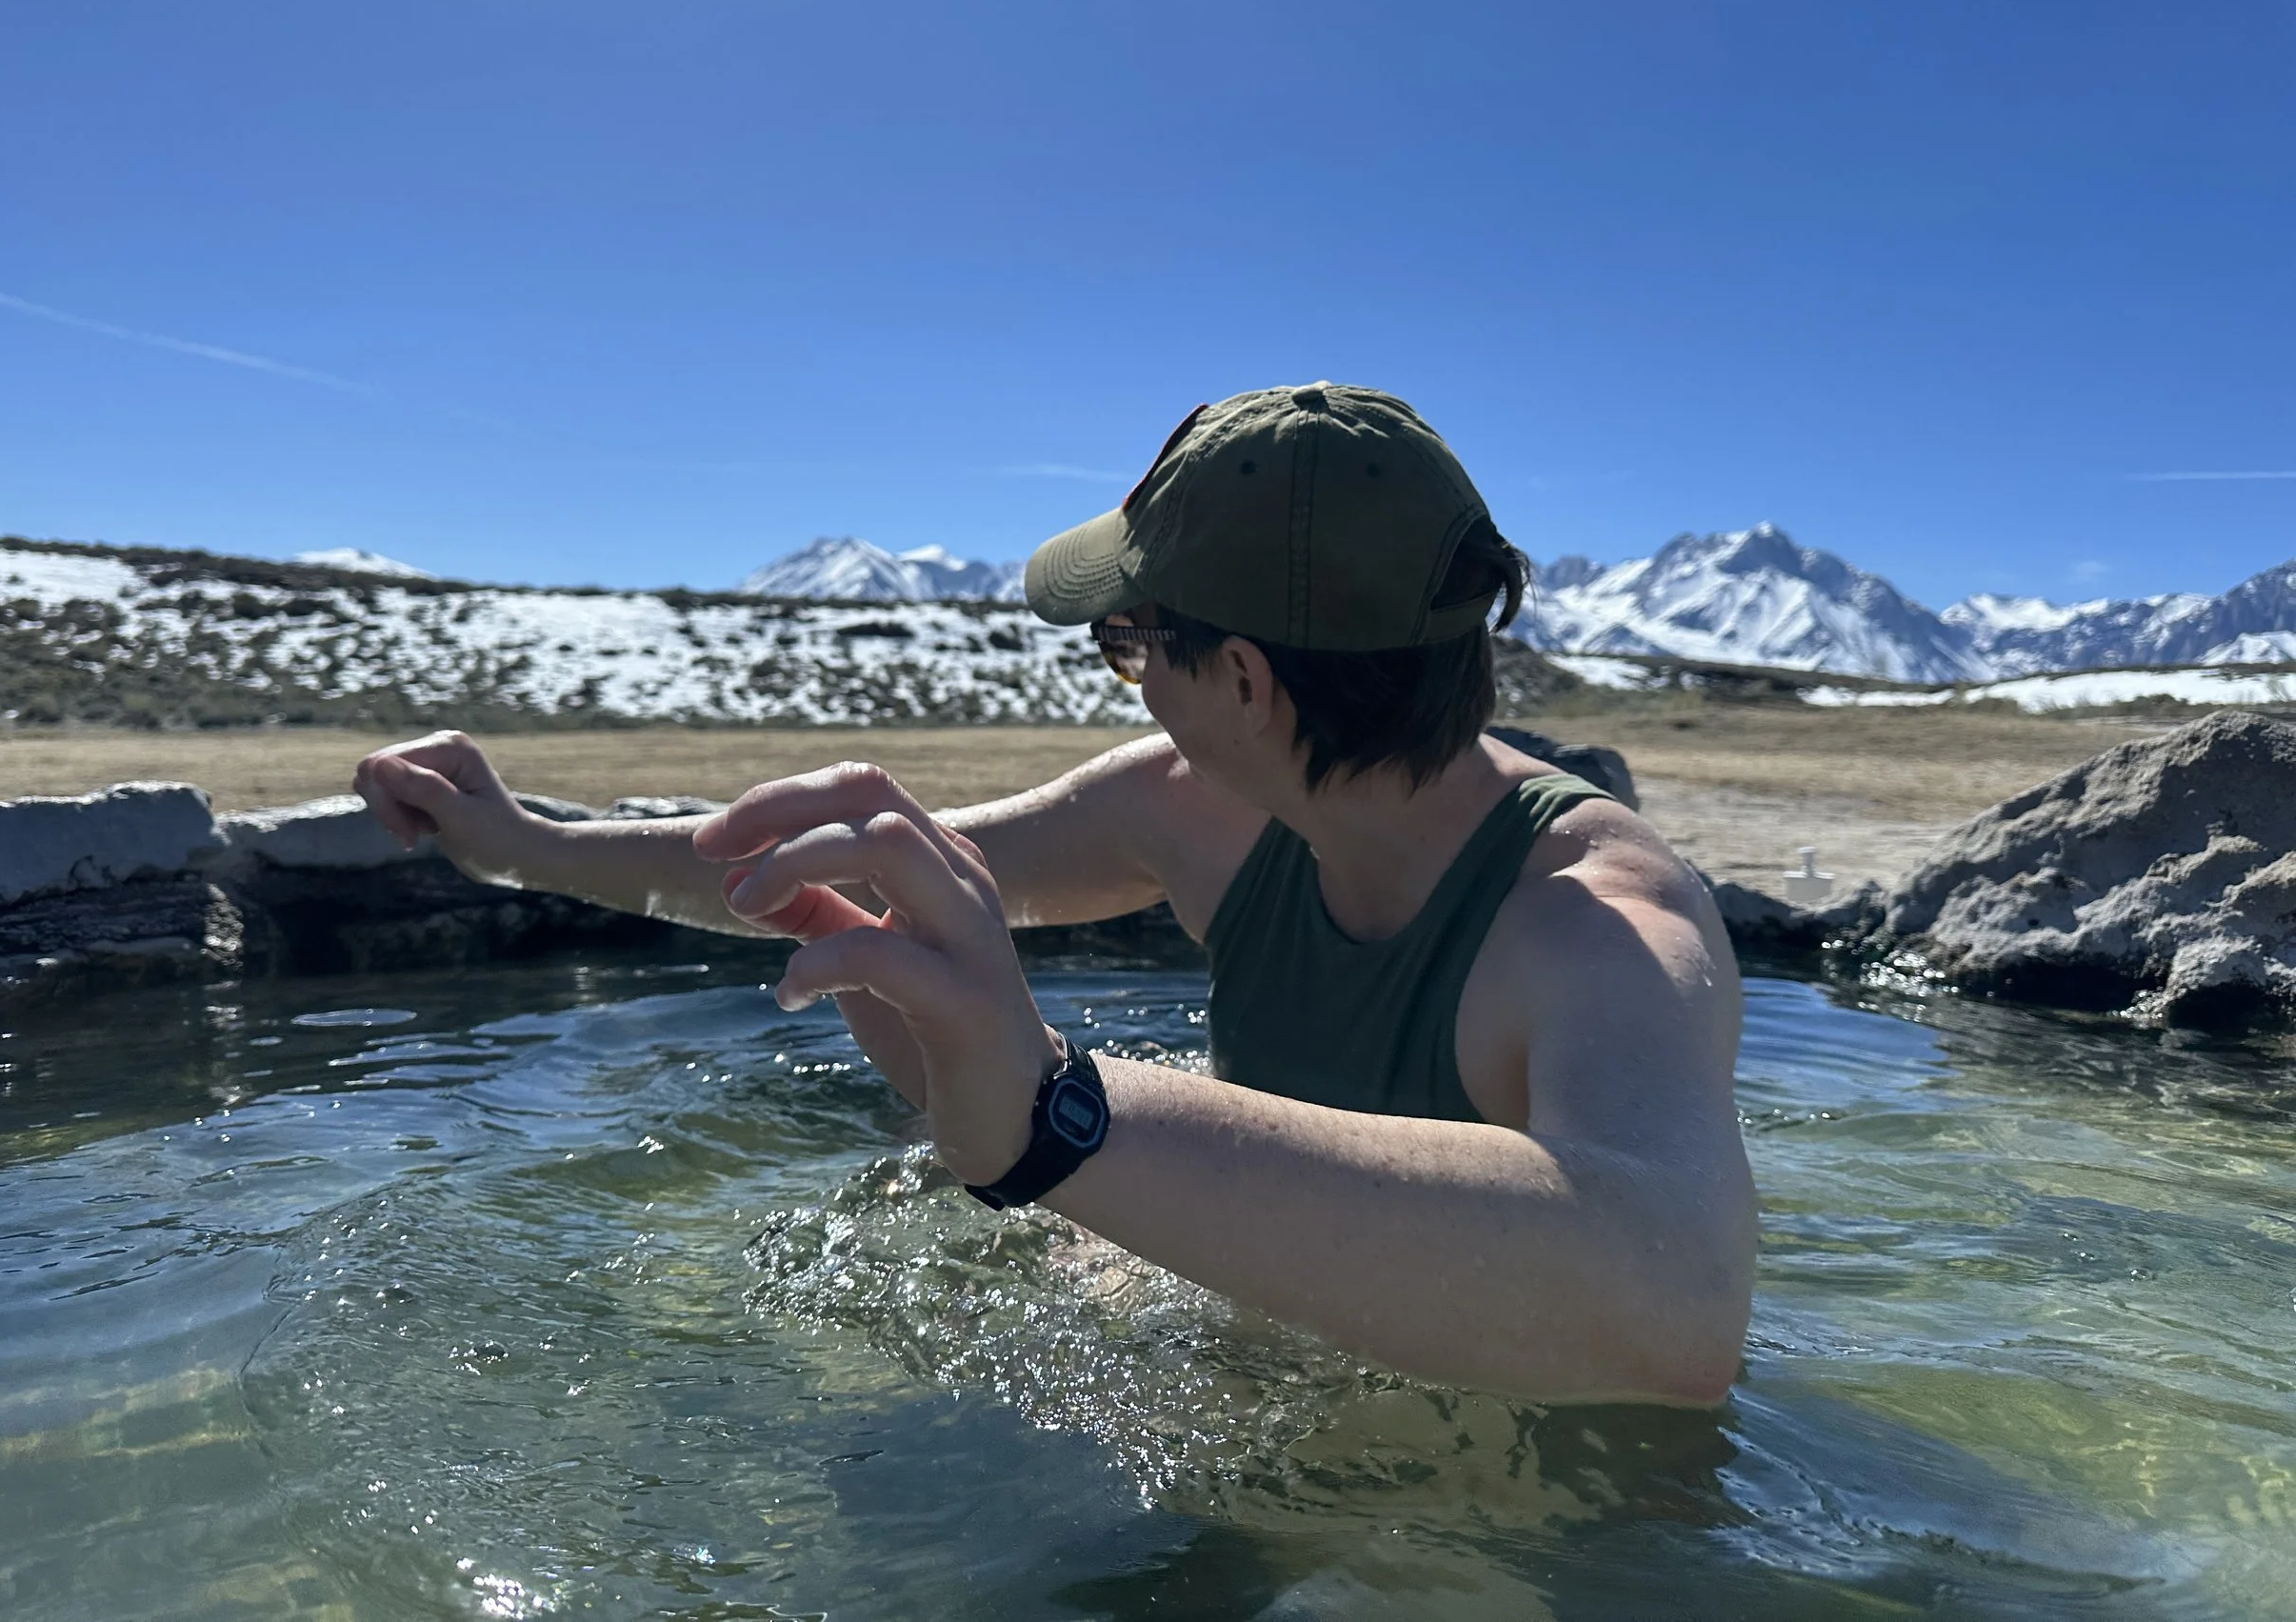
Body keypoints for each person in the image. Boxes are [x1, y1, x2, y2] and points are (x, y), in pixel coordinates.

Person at [354, 384, 1754, 1405]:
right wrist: (519, 845)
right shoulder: (1199, 809)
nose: (1131, 681)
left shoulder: (1599, 924)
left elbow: (1678, 1312)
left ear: (1245, 679)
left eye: (1131, 642)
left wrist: (1057, 1115)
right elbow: (821, 867)